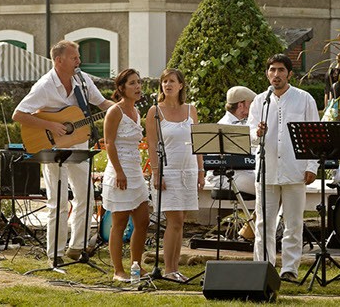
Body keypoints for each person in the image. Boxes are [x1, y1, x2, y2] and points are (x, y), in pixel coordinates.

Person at [12, 40, 113, 264]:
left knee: (85, 195)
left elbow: (102, 102)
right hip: (52, 147)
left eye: (78, 57)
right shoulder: (45, 85)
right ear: (59, 61)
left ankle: (77, 248)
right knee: (58, 200)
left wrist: (121, 107)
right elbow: (18, 115)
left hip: (78, 143)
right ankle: (55, 254)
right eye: (74, 57)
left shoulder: (83, 80)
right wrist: (50, 126)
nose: (79, 61)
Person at [247, 53, 319, 282]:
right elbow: (250, 136)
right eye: (272, 70)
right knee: (263, 224)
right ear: (267, 73)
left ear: (289, 73)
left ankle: (289, 269)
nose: (276, 75)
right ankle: (263, 268)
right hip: (266, 169)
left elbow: (314, 134)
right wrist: (256, 134)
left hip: (294, 169)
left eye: (280, 70)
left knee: (293, 223)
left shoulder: (304, 98)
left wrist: (312, 166)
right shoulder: (260, 100)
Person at [145, 68, 205, 282]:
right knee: (174, 220)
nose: (167, 85)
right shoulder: (155, 111)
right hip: (166, 170)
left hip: (188, 170)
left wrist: (200, 171)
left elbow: (198, 143)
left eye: (172, 81)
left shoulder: (191, 110)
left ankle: (174, 267)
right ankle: (169, 269)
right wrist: (156, 172)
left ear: (181, 85)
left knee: (181, 221)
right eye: (164, 81)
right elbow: (151, 144)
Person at [101, 68, 150, 283]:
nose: (138, 86)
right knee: (119, 221)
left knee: (143, 220)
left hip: (135, 171)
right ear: (121, 88)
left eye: (138, 82)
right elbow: (109, 143)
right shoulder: (115, 112)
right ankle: (118, 270)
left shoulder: (137, 112)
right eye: (132, 83)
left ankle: (136, 265)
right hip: (119, 171)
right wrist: (119, 172)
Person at [205, 85, 257, 195]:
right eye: (251, 103)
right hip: (223, 176)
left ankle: (258, 213)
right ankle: (259, 213)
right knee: (265, 186)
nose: (254, 107)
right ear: (241, 105)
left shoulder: (247, 123)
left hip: (244, 173)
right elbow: (217, 161)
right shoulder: (223, 126)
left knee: (273, 183)